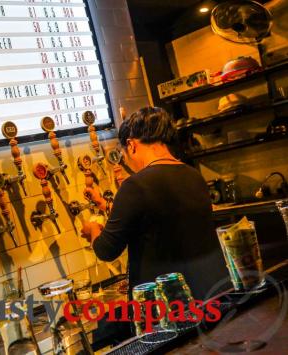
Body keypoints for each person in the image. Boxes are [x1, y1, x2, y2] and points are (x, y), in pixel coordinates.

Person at [81, 106, 227, 298]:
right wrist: (105, 205)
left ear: (131, 145)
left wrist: (93, 229)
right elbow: (157, 216)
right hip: (209, 292)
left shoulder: (135, 185)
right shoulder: (193, 176)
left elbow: (106, 250)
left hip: (164, 303)